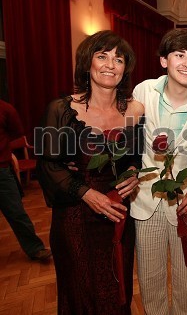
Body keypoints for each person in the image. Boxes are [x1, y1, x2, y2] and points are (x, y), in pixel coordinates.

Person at [36, 30, 143, 314]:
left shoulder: (135, 109)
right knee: (80, 293)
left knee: (117, 289)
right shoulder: (60, 110)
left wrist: (132, 172)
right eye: (102, 56)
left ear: (125, 68)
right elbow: (48, 167)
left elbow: (135, 157)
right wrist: (87, 194)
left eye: (118, 59)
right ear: (87, 63)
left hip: (119, 215)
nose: (110, 64)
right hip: (74, 217)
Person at [130, 28, 187, 315]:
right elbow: (126, 139)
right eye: (179, 55)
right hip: (146, 203)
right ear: (164, 60)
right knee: (150, 282)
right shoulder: (143, 91)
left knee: (186, 282)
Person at [0, 99, 52, 261]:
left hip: (1, 170)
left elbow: (17, 132)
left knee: (16, 212)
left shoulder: (4, 108)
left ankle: (35, 249)